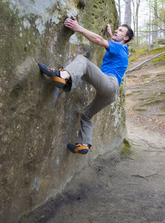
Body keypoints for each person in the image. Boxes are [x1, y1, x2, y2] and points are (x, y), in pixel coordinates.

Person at [38, 16, 134, 155]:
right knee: (87, 115)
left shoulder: (119, 47)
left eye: (120, 31)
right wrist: (110, 34)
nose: (116, 31)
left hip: (108, 83)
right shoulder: (123, 50)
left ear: (125, 38)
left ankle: (63, 76)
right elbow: (112, 43)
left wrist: (77, 27)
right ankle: (83, 144)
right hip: (110, 94)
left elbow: (100, 41)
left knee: (82, 61)